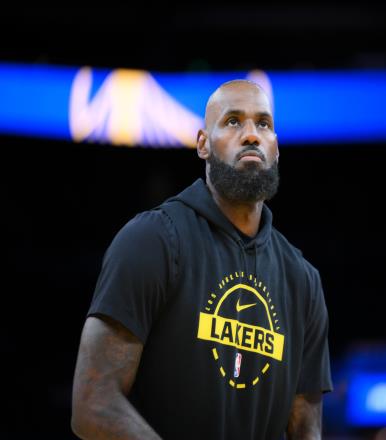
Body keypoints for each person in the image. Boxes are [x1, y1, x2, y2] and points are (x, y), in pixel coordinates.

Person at [71, 79, 333, 439]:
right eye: (233, 121)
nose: (251, 135)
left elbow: (306, 429)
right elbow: (93, 404)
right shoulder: (152, 240)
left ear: (276, 149)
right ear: (203, 144)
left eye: (263, 124)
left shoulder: (303, 279)